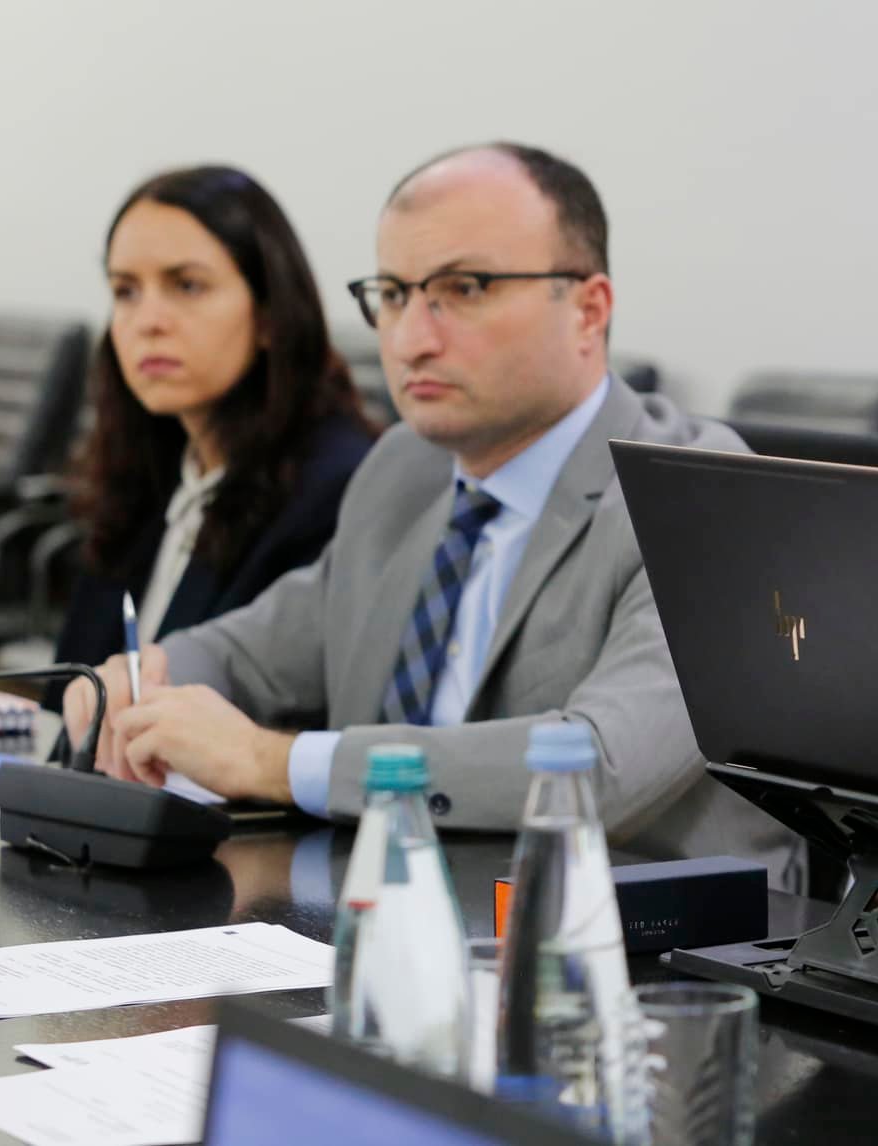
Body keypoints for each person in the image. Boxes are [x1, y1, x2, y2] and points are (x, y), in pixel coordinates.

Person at [63, 142, 793, 869]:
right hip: (386, 904)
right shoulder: (404, 468)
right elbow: (253, 653)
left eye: (465, 288)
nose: (411, 340)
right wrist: (143, 680)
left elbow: (598, 771)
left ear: (587, 309)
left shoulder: (709, 499)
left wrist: (269, 761)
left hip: (626, 927)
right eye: (393, 294)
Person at [54, 167, 374, 688]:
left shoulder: (335, 490)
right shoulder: (153, 464)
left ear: (270, 315)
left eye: (187, 286)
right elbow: (74, 688)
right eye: (126, 291)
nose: (148, 321)